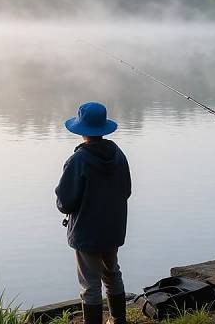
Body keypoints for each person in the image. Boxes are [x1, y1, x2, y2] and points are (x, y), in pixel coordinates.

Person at [55, 101, 131, 324]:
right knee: (112, 273)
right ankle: (118, 319)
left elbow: (65, 203)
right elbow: (126, 191)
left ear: (82, 131)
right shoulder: (118, 155)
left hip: (87, 232)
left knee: (90, 283)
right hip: (113, 228)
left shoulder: (77, 160)